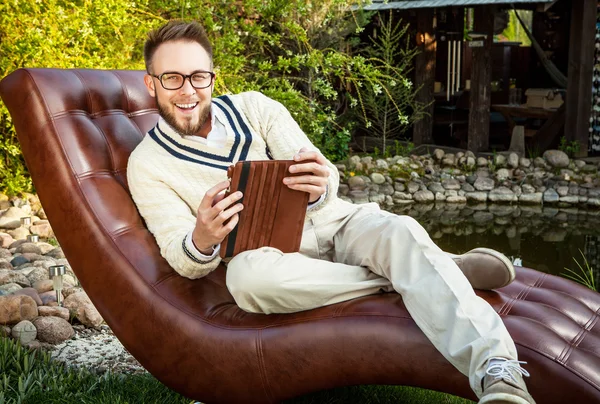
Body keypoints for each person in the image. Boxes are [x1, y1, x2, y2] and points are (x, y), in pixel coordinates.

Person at [127, 20, 536, 404]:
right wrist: (202, 236)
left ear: (213, 77)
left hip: (335, 223)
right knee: (247, 280)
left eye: (198, 77)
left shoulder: (256, 108)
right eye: (172, 78)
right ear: (151, 84)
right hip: (275, 261)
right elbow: (182, 257)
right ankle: (424, 270)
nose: (188, 90)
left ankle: (497, 370)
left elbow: (323, 172)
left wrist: (320, 182)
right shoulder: (147, 164)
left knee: (400, 230)